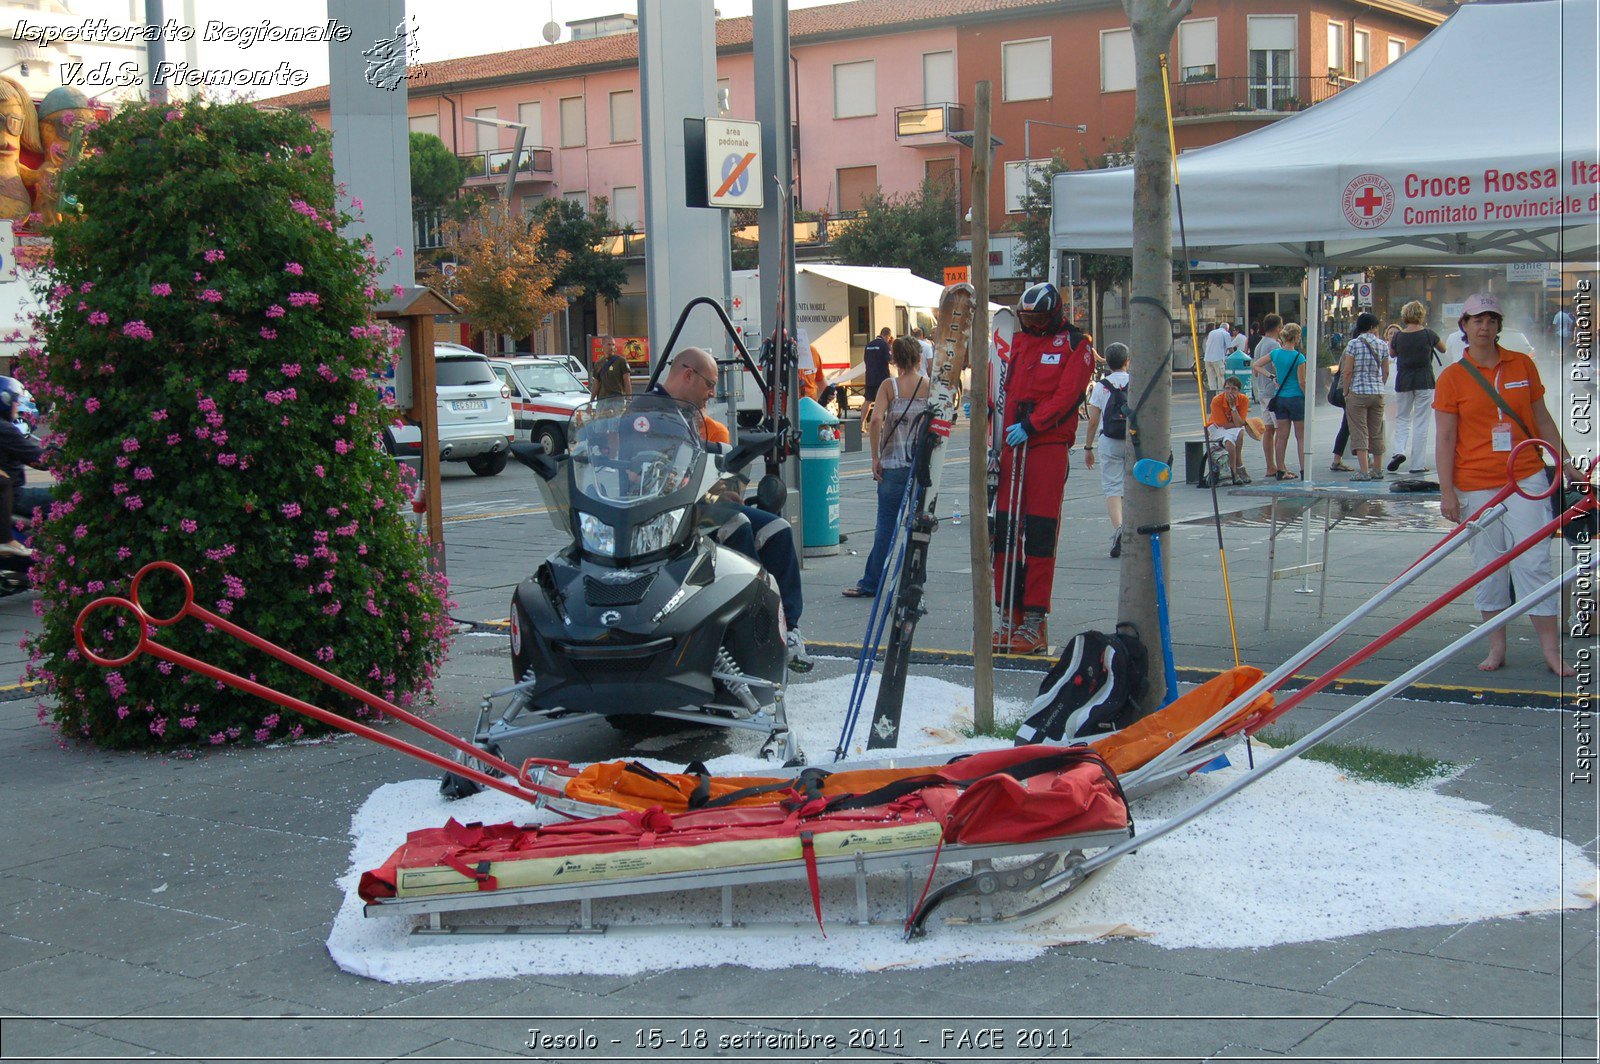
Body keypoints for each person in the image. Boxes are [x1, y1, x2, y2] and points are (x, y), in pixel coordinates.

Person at [1434, 292, 1582, 676]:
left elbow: (1542, 419)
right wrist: (1446, 491)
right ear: (1463, 326)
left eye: (1491, 319)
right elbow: (1445, 438)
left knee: (1534, 561)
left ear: (1499, 325)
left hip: (1526, 477)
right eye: (1476, 320)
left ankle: (1551, 650)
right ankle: (1496, 646)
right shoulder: (1452, 377)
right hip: (1475, 482)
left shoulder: (1522, 365)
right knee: (1488, 566)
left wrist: (1565, 462)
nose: (1484, 326)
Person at [652, 348, 810, 670]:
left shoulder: (687, 414)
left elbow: (695, 465)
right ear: (688, 375)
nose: (713, 392)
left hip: (698, 504)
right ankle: (750, 625)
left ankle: (787, 628)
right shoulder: (650, 417)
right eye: (709, 384)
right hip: (667, 516)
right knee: (737, 525)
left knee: (778, 530)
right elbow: (660, 476)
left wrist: (721, 488)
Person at [992, 282, 1096, 654]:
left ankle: (1035, 621)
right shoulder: (1017, 342)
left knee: (1039, 532)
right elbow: (1002, 387)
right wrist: (996, 435)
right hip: (1011, 444)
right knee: (1003, 529)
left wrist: (1033, 424)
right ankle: (1008, 615)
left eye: (1038, 317)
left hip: (1046, 444)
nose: (1032, 323)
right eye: (1027, 317)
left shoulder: (1075, 344)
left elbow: (1068, 396)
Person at [844, 337, 928, 598]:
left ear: (895, 360)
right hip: (921, 467)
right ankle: (916, 581)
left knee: (886, 527)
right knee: (917, 527)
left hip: (893, 465)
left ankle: (872, 582)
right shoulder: (929, 386)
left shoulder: (889, 386)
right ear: (918, 358)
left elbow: (876, 418)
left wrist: (874, 456)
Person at [1083, 342, 1132, 558]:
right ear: (1127, 361)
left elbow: (1093, 420)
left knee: (1113, 487)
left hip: (1109, 440)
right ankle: (1135, 529)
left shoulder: (1101, 386)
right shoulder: (1135, 382)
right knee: (1135, 484)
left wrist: (1088, 447)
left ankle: (1119, 528)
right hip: (1133, 440)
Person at [1387, 300, 1444, 474]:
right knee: (1421, 422)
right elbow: (1443, 349)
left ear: (1405, 316)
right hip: (1424, 381)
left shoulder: (1398, 336)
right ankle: (1417, 464)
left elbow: (1392, 353)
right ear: (1421, 315)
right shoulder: (1428, 334)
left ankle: (1398, 451)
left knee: (1402, 418)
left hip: (1404, 380)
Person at [1340, 312, 1391, 481]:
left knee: (1359, 430)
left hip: (1358, 392)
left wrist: (1346, 391)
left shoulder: (1353, 344)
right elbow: (1386, 371)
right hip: (1377, 393)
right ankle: (1377, 469)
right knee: (1376, 431)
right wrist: (1379, 384)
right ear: (1372, 327)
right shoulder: (1383, 345)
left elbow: (1347, 371)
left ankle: (1363, 471)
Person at [0, 378, 44, 557]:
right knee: (64, 500)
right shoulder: (4, 429)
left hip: (11, 493)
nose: (17, 404)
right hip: (15, 496)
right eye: (15, 399)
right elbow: (40, 459)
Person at [1267, 322, 1308, 479]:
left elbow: (1256, 365)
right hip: (1296, 398)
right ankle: (1304, 470)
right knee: (1301, 437)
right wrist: (1307, 398)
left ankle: (1281, 470)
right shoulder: (1299, 357)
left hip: (1280, 398)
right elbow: (1302, 382)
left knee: (1282, 436)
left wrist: (1272, 377)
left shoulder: (1276, 354)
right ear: (1297, 337)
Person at [1249, 313, 1283, 478]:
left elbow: (1255, 371)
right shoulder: (1275, 346)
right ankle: (1280, 465)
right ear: (1278, 328)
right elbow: (1279, 369)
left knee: (1268, 430)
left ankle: (1270, 466)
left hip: (1262, 391)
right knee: (1279, 429)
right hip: (1273, 392)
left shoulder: (1259, 344)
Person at [1205, 374, 1252, 483]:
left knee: (1238, 434)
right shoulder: (1217, 400)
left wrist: (1233, 408)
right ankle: (1238, 468)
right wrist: (1237, 422)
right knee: (1233, 436)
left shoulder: (1243, 400)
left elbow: (1239, 425)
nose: (1230, 391)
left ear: (1239, 391)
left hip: (1232, 429)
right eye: (1227, 388)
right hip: (1216, 428)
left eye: (1233, 389)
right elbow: (1223, 423)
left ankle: (1234, 471)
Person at [862, 327, 893, 417]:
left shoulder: (869, 345)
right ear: (887, 335)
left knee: (868, 400)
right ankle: (881, 423)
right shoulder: (884, 345)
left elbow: (865, 360)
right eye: (889, 338)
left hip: (869, 377)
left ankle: (860, 425)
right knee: (883, 400)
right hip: (882, 378)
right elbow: (890, 360)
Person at [1202, 321, 1231, 393]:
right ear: (1227, 329)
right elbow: (1229, 347)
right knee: (1220, 377)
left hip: (1207, 359)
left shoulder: (1211, 333)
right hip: (1218, 358)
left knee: (1211, 378)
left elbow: (1207, 344)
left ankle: (1212, 395)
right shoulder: (1226, 333)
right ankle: (1221, 394)